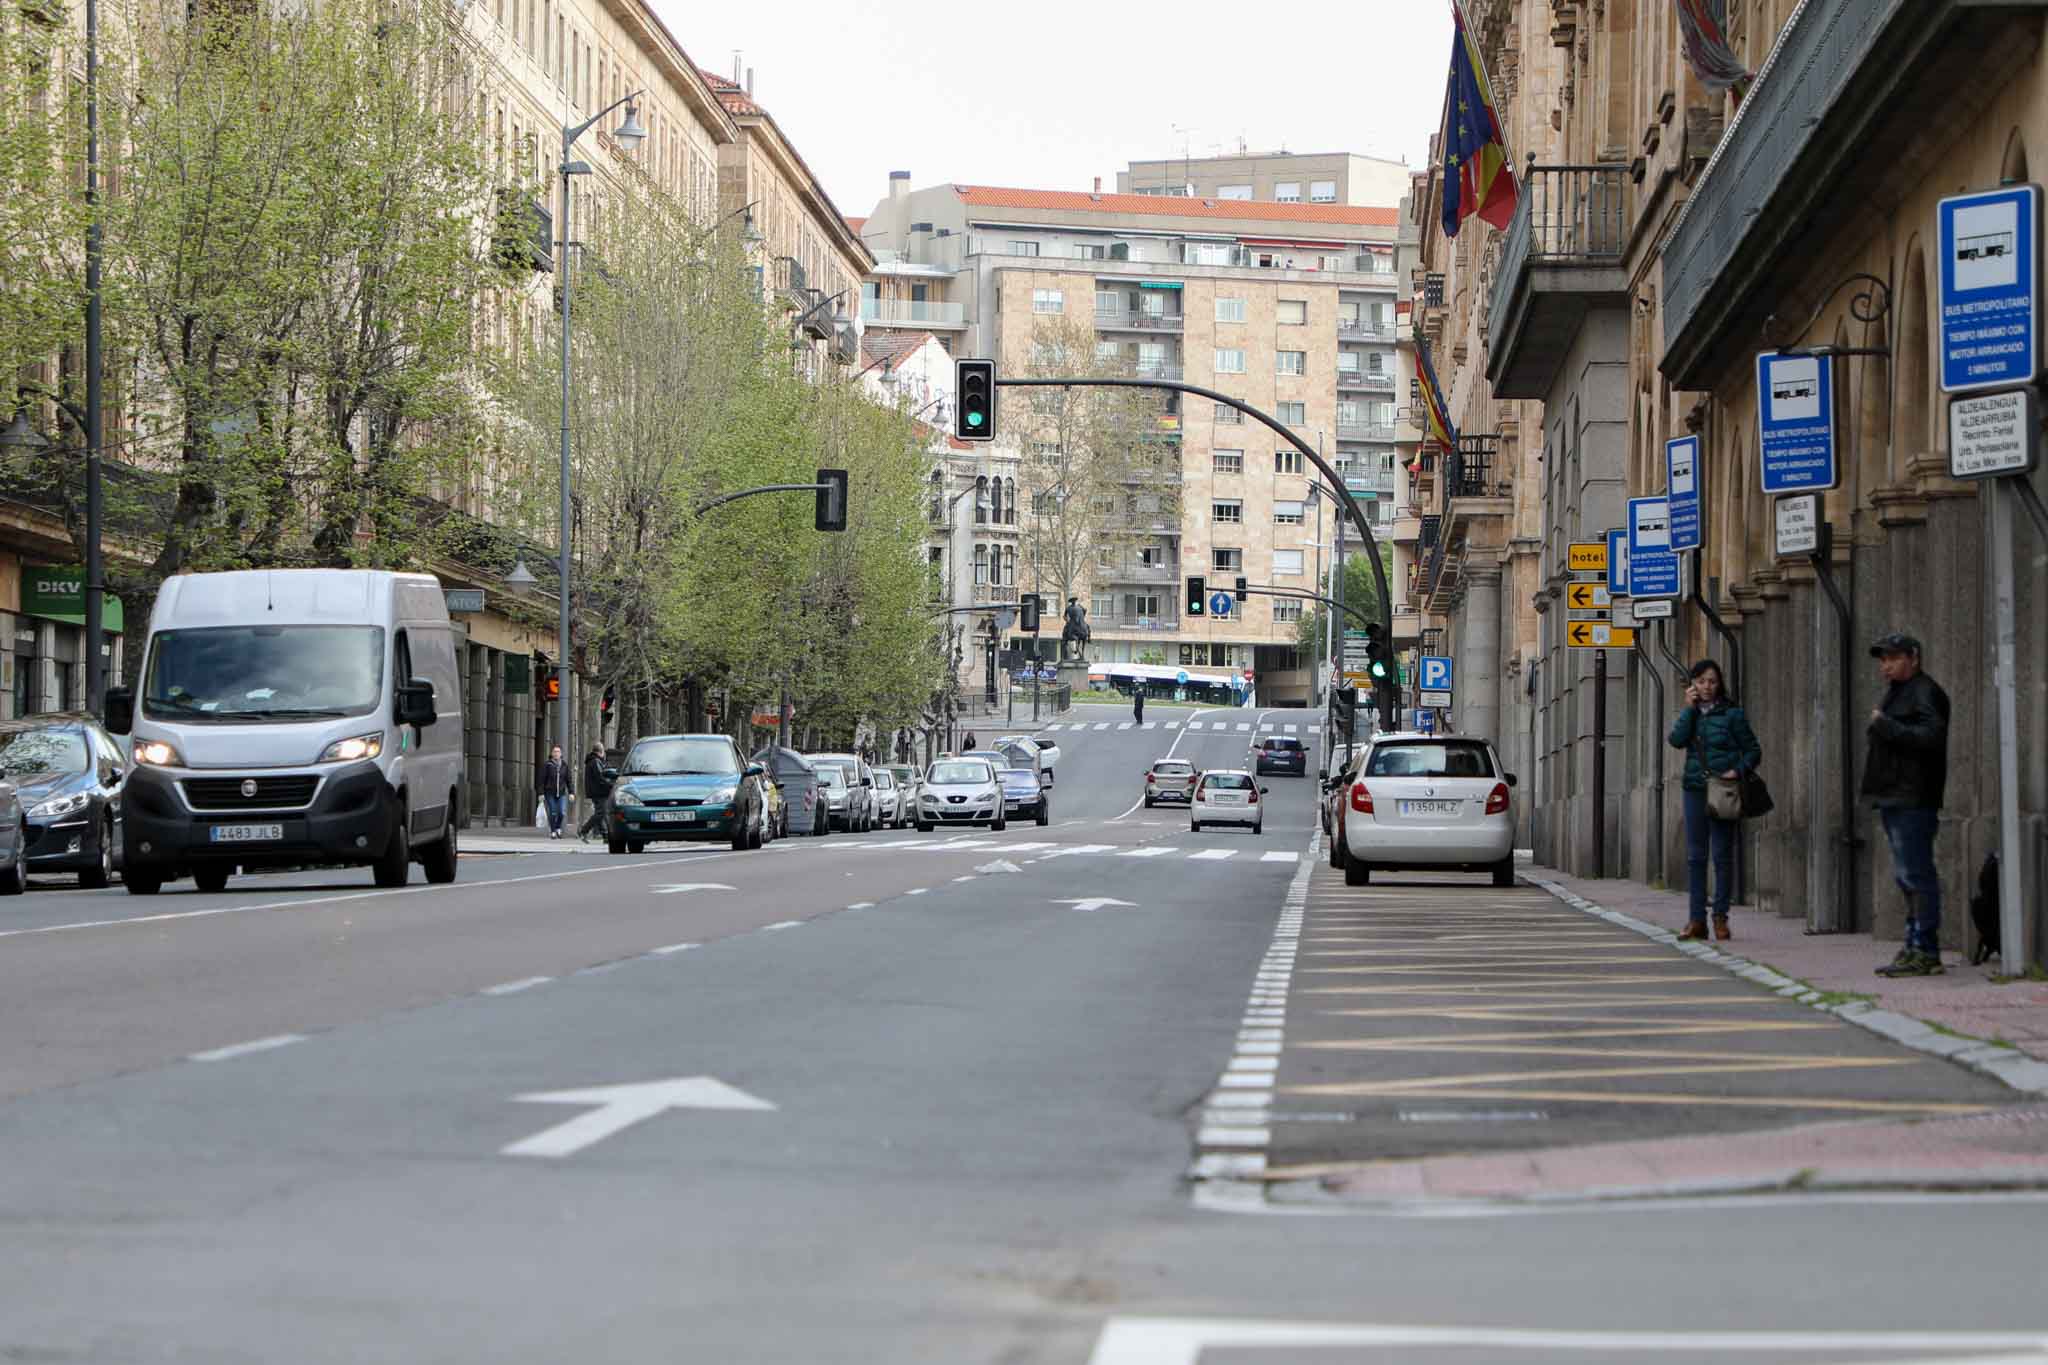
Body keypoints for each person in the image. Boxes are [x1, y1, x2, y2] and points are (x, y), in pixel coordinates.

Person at [1862, 632, 1952, 977]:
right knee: (1906, 875)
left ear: (1914, 658)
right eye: (1883, 660)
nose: (1886, 666)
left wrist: (1886, 726)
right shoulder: (1899, 692)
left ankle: (1926, 949)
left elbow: (1931, 737)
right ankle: (1914, 943)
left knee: (1916, 872)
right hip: (1894, 794)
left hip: (1914, 796)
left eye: (1893, 658)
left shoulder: (1925, 691)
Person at [1667, 659, 1761, 942]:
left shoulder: (1732, 714)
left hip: (1724, 790)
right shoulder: (1691, 714)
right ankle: (1697, 920)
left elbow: (1753, 751)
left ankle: (1720, 917)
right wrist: (1688, 709)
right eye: (1701, 681)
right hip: (1695, 788)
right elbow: (1676, 740)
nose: (1706, 687)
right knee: (1696, 857)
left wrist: (1737, 771)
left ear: (1719, 685)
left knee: (1722, 855)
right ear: (1692, 685)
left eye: (1712, 681)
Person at [578, 742, 612, 842]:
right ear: (601, 751)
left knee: (601, 813)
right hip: (599, 791)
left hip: (595, 791)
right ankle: (583, 830)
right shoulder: (596, 761)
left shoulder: (592, 761)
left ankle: (606, 836)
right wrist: (611, 786)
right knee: (601, 813)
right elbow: (601, 778)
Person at [538, 744, 573, 840]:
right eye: (554, 752)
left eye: (558, 752)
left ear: (561, 754)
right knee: (553, 812)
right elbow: (541, 780)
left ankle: (558, 827)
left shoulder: (565, 766)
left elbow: (569, 780)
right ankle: (553, 831)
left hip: (561, 793)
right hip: (550, 793)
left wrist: (571, 792)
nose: (556, 753)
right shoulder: (547, 765)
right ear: (552, 754)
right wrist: (541, 793)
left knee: (561, 812)